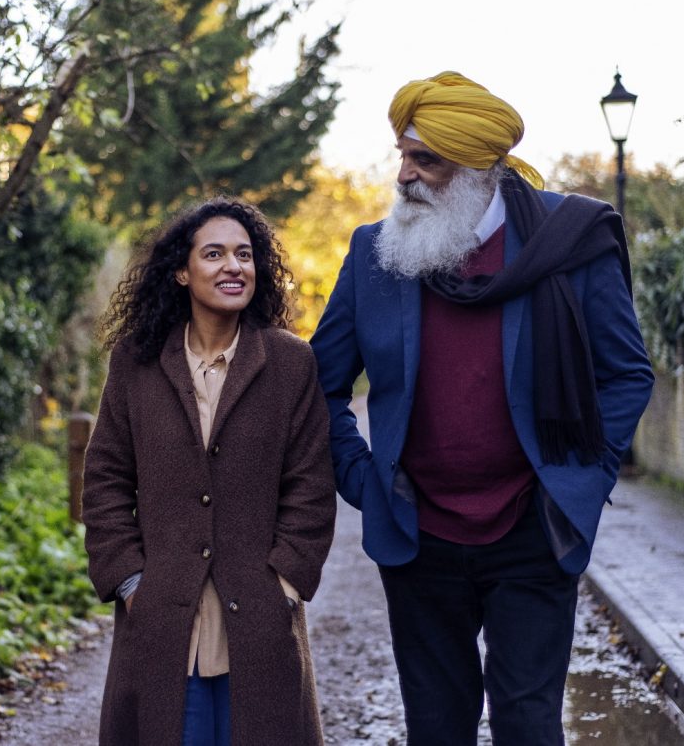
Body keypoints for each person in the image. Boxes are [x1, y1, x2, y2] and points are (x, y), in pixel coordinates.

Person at [310, 71, 654, 745]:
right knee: (437, 728)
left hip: (534, 529)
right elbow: (317, 384)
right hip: (417, 534)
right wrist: (364, 479)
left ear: (477, 168)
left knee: (528, 724)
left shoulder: (570, 244)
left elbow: (626, 373)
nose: (405, 175)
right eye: (402, 156)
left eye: (426, 160)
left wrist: (582, 480)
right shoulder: (373, 255)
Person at [82, 198, 336, 746]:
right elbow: (104, 476)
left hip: (260, 618)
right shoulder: (137, 361)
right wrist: (129, 580)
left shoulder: (291, 363)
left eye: (244, 255)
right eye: (215, 254)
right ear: (181, 270)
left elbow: (311, 485)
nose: (233, 267)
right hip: (163, 620)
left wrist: (286, 583)